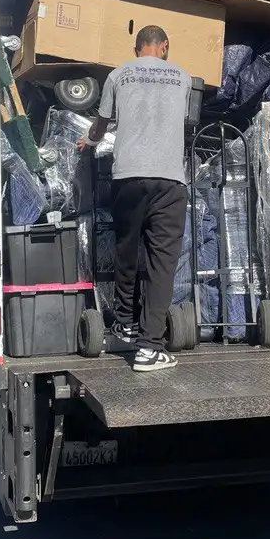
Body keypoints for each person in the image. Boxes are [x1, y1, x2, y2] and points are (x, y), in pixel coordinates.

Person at [78, 25, 191, 372]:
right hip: (169, 180)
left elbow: (102, 124)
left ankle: (125, 322)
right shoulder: (184, 78)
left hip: (127, 177)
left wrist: (90, 142)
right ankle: (149, 348)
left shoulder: (118, 75)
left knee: (127, 250)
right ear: (164, 46)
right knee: (161, 264)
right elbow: (183, 121)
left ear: (136, 48)